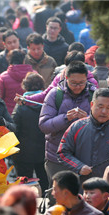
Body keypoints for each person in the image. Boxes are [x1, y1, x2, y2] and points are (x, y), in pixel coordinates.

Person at [39, 61, 98, 192]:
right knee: (58, 196)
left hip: (85, 156)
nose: (78, 87)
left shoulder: (95, 95)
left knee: (84, 197)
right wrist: (66, 118)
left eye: (81, 83)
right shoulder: (55, 95)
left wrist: (87, 120)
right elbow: (44, 125)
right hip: (56, 157)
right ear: (66, 78)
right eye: (73, 83)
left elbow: (103, 125)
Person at [57, 88, 109, 187]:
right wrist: (79, 167)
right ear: (91, 105)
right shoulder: (76, 127)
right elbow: (62, 152)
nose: (104, 111)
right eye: (100, 106)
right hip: (81, 186)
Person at [13, 73, 48, 194]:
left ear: (25, 87)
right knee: (44, 180)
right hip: (44, 150)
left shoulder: (21, 106)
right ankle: (46, 202)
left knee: (24, 182)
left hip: (23, 152)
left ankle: (24, 205)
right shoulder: (47, 105)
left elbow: (14, 128)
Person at [0, 49, 35, 114]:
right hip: (31, 112)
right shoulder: (34, 75)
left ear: (9, 62)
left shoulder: (3, 77)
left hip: (9, 113)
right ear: (24, 60)